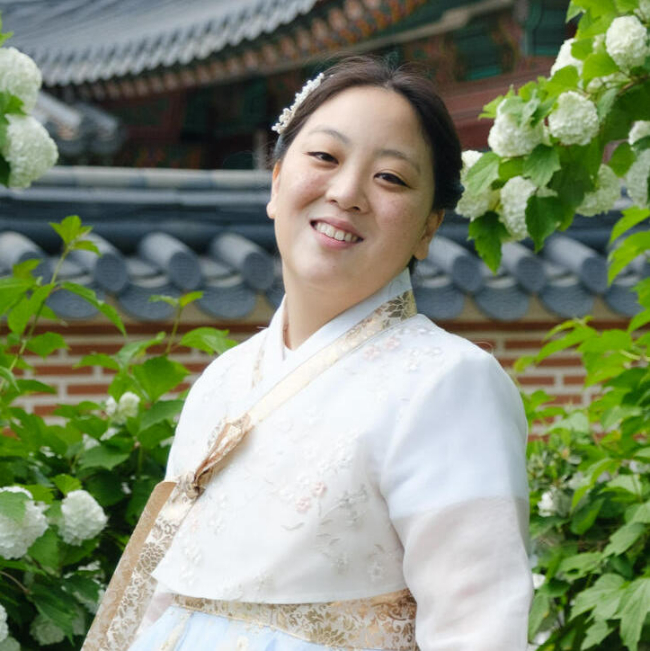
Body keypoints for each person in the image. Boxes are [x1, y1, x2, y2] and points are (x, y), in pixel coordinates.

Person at [84, 55, 532, 651]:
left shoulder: (449, 382)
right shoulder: (223, 380)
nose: (345, 193)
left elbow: (479, 630)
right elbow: (160, 598)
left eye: (391, 178)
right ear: (276, 183)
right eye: (324, 156)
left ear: (429, 228)